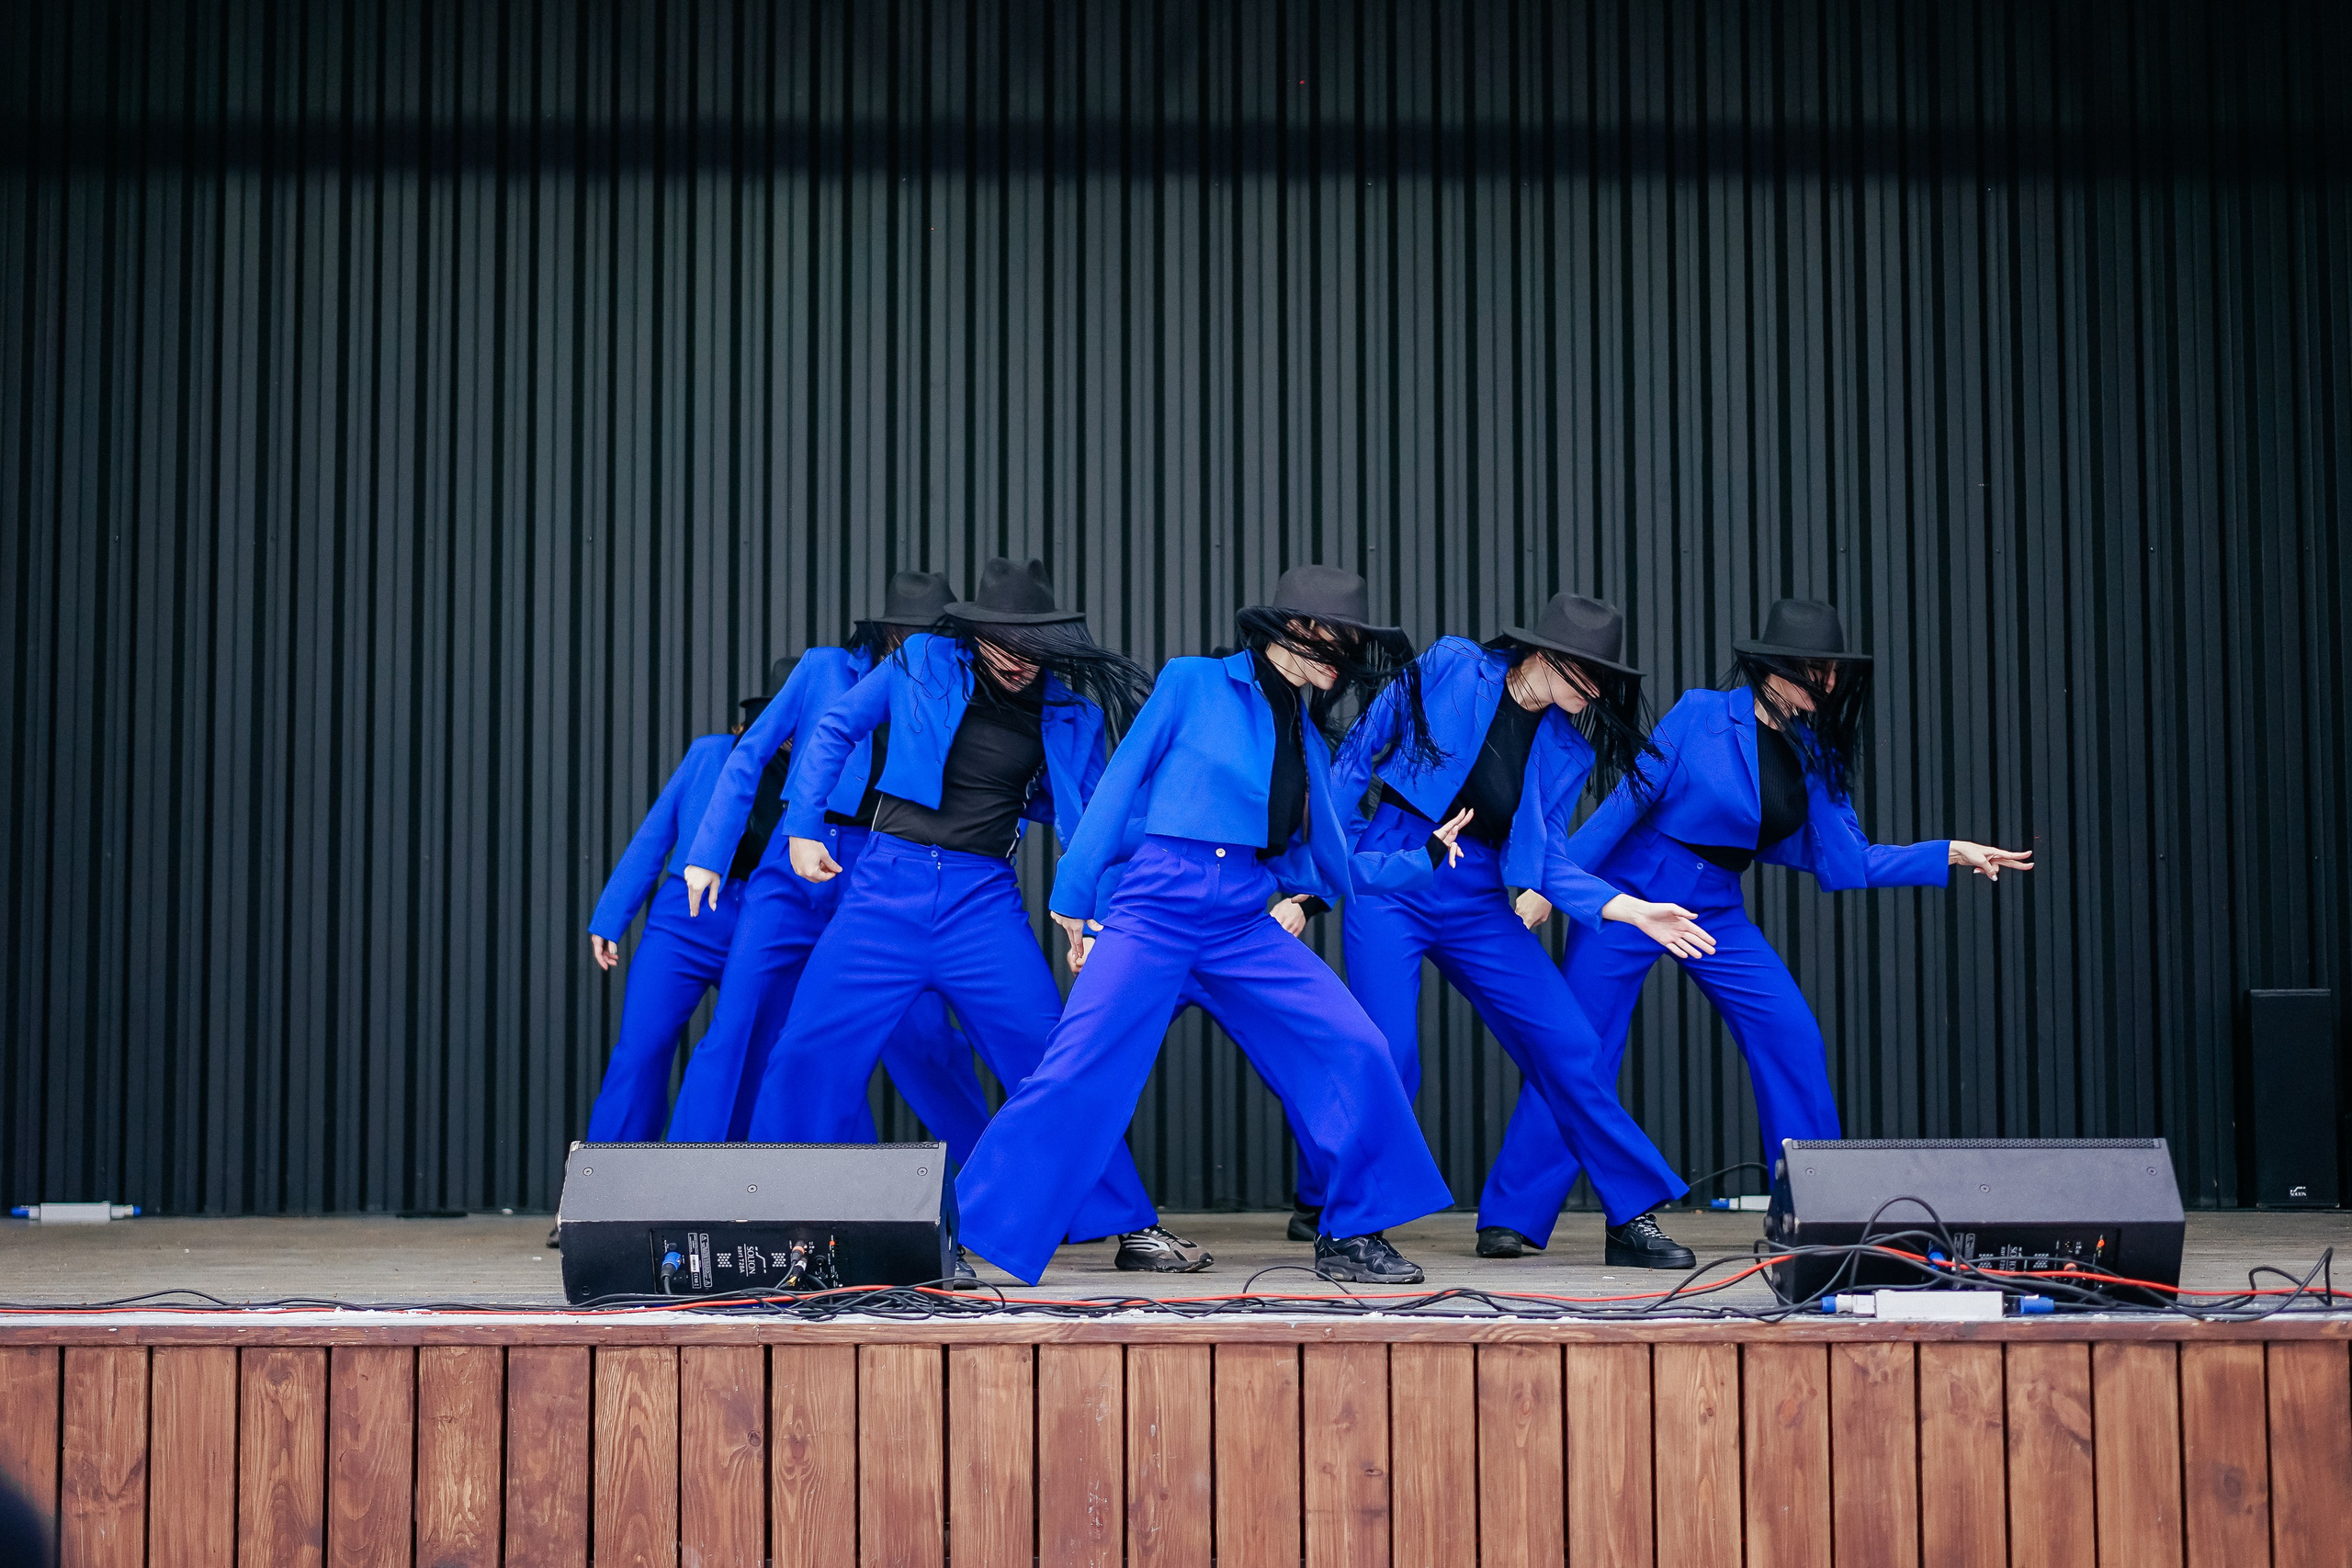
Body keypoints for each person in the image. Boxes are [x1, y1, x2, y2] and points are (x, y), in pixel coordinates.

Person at [952, 565, 1456, 1288]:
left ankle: (1350, 1233)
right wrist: (1074, 891)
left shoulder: (1307, 738)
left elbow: (1335, 863)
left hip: (1240, 917)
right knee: (1078, 1067)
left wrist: (1422, 859)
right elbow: (1122, 777)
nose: (1335, 649)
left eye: (1346, 639)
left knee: (1355, 1044)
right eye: (1325, 633)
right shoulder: (1194, 681)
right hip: (1156, 901)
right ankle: (967, 1231)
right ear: (1287, 630)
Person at [1484, 598, 2035, 1217]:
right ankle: (1512, 1215)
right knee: (1579, 1048)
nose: (1828, 682)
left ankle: (1820, 1206)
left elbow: (1847, 862)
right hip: (1633, 889)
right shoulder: (1699, 713)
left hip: (1714, 908)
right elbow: (1625, 803)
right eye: (1816, 667)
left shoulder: (1814, 755)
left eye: (1832, 670)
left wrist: (1948, 853)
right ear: (1779, 667)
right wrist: (1551, 886)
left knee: (1791, 1033)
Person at [744, 558, 1206, 1275]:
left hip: (980, 900)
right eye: (1003, 642)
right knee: (810, 1049)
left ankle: (1127, 1222)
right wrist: (803, 823)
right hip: (885, 890)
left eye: (1032, 647)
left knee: (1053, 1057)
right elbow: (836, 726)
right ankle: (781, 1221)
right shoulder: (922, 659)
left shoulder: (1069, 712)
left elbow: (1098, 820)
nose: (1017, 660)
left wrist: (1091, 910)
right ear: (976, 633)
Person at [1314, 592, 1712, 1266]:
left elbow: (1549, 860)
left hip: (1477, 895)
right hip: (1396, 870)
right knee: (1390, 1052)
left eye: (1603, 675)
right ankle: (1349, 1228)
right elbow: (1357, 754)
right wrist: (1339, 856)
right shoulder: (1450, 664)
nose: (1597, 687)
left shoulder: (1567, 751)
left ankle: (1630, 1213)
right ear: (1545, 656)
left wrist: (1629, 908)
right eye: (1586, 670)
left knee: (1570, 1042)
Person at [663, 573, 993, 1156]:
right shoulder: (822, 669)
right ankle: (686, 1183)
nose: (925, 645)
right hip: (792, 863)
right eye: (914, 633)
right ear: (889, 631)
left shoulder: (951, 682)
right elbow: (751, 754)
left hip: (885, 870)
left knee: (924, 1040)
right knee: (737, 1023)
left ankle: (996, 1183)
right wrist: (708, 854)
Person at [580, 673, 792, 1141]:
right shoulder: (710, 754)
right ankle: (607, 1188)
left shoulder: (811, 771)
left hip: (764, 923)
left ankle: (719, 1189)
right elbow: (655, 835)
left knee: (748, 1055)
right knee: (640, 1051)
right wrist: (611, 915)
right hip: (685, 921)